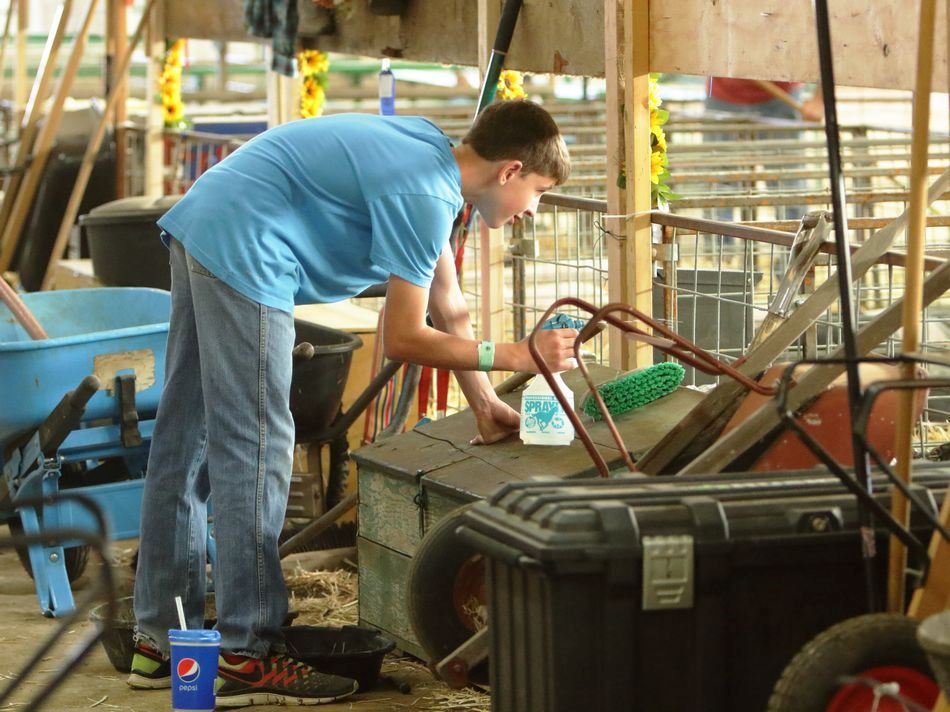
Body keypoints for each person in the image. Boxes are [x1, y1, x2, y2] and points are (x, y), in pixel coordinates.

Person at [128, 99, 575, 707]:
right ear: (509, 171)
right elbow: (405, 338)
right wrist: (520, 355)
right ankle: (244, 651)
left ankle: (161, 639)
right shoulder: (427, 196)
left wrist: (486, 403)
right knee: (255, 446)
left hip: (207, 222)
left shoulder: (430, 157)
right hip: (245, 248)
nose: (533, 209)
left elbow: (448, 303)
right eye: (539, 191)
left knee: (187, 438)